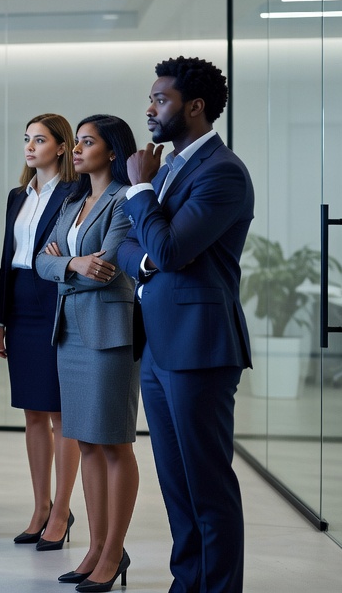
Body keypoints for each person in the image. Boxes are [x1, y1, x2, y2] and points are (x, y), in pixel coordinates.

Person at [117, 57, 254, 593]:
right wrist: (149, 253)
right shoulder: (168, 168)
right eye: (151, 99)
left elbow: (170, 246)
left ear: (194, 107)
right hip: (159, 345)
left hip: (200, 347)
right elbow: (133, 246)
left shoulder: (221, 172)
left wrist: (140, 192)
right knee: (177, 485)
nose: (150, 109)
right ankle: (186, 583)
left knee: (208, 485)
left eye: (161, 100)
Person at [36, 114, 140, 592]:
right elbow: (42, 259)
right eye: (75, 142)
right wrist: (73, 262)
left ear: (113, 151)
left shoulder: (124, 201)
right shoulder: (75, 201)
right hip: (70, 330)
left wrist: (68, 263)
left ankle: (113, 550)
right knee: (88, 443)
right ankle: (97, 548)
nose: (76, 150)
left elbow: (112, 266)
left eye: (87, 142)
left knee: (114, 443)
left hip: (108, 331)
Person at [0, 113, 81, 550]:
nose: (29, 146)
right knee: (32, 413)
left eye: (39, 139)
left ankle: (62, 510)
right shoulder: (16, 196)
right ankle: (40, 505)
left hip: (57, 298)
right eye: (26, 138)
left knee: (62, 414)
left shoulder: (76, 191)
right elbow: (8, 256)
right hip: (22, 301)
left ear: (61, 147)